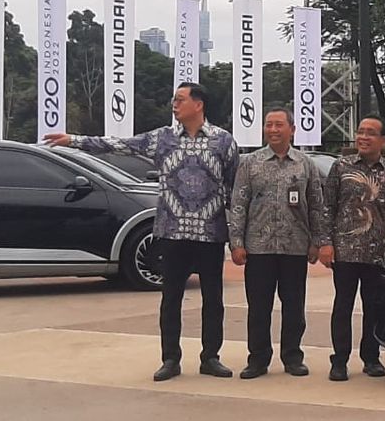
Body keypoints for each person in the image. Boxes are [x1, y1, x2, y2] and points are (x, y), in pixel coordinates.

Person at [43, 82, 239, 382]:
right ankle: (170, 359)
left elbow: (233, 188)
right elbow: (119, 144)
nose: (174, 104)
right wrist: (74, 140)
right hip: (171, 232)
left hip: (210, 233)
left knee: (213, 299)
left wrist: (236, 235)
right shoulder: (162, 138)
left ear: (198, 104)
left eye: (180, 99)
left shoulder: (223, 141)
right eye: (173, 99)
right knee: (170, 298)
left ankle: (210, 357)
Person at [228, 108, 327, 379]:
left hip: (295, 246)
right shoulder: (250, 163)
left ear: (292, 129)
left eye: (279, 125)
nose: (273, 129)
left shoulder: (305, 163)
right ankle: (258, 359)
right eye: (269, 124)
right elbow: (238, 203)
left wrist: (317, 240)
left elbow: (317, 205)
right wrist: (236, 242)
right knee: (259, 307)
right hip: (258, 247)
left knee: (294, 306)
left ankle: (293, 357)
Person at [321, 115, 385, 381]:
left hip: (376, 252)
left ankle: (371, 358)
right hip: (345, 250)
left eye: (370, 133)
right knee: (343, 306)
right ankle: (339, 361)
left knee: (373, 306)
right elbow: (327, 208)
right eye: (360, 131)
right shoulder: (341, 167)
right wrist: (325, 243)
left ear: (383, 140)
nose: (363, 137)